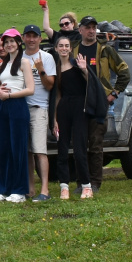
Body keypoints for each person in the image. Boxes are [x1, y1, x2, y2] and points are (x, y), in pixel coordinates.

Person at [72, 16, 130, 195]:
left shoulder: (105, 50)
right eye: (87, 27)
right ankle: (81, 182)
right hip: (78, 103)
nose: (91, 30)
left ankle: (95, 183)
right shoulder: (74, 49)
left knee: (96, 144)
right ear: (80, 30)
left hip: (98, 103)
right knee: (79, 145)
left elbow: (124, 72)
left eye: (93, 27)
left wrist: (113, 94)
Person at [49, 35, 94, 199]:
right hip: (63, 108)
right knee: (62, 148)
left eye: (67, 45)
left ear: (70, 48)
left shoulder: (77, 65)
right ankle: (64, 186)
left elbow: (92, 85)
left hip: (80, 107)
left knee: (80, 148)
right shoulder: (56, 69)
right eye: (60, 46)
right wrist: (54, 119)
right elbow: (57, 95)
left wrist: (84, 69)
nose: (64, 48)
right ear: (56, 49)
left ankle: (86, 186)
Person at [0, 29, 33, 203]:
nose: (9, 45)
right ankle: (4, 189)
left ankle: (20, 190)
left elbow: (30, 89)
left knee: (18, 149)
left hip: (17, 105)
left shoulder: (24, 62)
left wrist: (9, 95)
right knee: (5, 149)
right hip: (3, 107)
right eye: (6, 42)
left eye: (12, 41)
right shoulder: (2, 63)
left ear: (19, 42)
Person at [20, 25, 58, 200]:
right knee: (27, 151)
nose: (31, 39)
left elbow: (50, 85)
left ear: (40, 38)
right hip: (21, 108)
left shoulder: (47, 57)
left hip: (39, 108)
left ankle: (45, 190)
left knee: (39, 150)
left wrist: (40, 68)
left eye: (34, 36)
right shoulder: (18, 58)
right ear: (23, 38)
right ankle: (30, 189)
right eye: (28, 36)